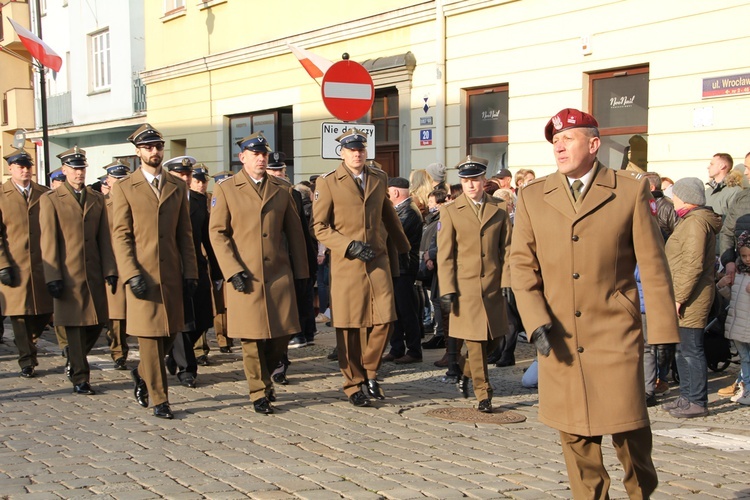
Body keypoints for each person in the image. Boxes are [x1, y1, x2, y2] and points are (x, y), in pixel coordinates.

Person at [510, 108, 679, 498]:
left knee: (630, 431)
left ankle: (641, 494)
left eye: (567, 139)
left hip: (614, 334)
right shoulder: (534, 196)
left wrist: (664, 334)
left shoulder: (628, 190)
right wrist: (535, 321)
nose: (559, 146)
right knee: (576, 439)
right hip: (559, 336)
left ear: (594, 144)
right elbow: (520, 266)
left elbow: (653, 265)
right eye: (555, 140)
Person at [209, 133, 309, 414]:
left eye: (264, 154)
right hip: (245, 277)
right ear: (243, 158)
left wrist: (302, 273)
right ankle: (258, 392)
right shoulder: (226, 189)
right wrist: (231, 270)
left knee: (280, 336)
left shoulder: (282, 188)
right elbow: (218, 234)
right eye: (256, 154)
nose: (262, 158)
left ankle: (266, 378)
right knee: (251, 339)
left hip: (278, 275)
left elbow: (295, 233)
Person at [312, 129, 410, 407]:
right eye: (351, 150)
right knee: (349, 329)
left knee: (385, 319)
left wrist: (404, 250)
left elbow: (388, 215)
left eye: (361, 149)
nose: (357, 154)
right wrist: (347, 245)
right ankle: (353, 384)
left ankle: (369, 371)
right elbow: (319, 227)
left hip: (378, 261)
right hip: (348, 264)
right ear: (342, 153)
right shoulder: (328, 182)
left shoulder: (379, 178)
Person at [111, 123, 199, 419]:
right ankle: (160, 399)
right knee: (149, 338)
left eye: (158, 146)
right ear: (138, 152)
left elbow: (184, 235)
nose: (155, 152)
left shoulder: (177, 186)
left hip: (171, 275)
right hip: (142, 276)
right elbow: (121, 235)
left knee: (167, 335)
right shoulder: (124, 188)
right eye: (148, 147)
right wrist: (130, 273)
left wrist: (191, 272)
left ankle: (140, 373)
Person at [39, 146, 117, 395]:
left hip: (93, 272)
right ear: (64, 171)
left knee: (96, 324)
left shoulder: (96, 198)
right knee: (73, 327)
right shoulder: (51, 199)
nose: (79, 173)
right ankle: (81, 377)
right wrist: (53, 276)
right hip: (67, 273)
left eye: (82, 168)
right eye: (74, 169)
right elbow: (48, 239)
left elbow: (104, 237)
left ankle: (74, 359)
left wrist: (110, 269)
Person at [437, 155, 512, 413]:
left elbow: (508, 248)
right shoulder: (450, 210)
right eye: (466, 180)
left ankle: (466, 370)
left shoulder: (500, 208)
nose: (470, 185)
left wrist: (508, 279)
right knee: (477, 342)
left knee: (496, 339)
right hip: (465, 287)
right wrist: (447, 289)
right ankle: (484, 394)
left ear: (484, 180)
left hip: (493, 285)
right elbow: (445, 254)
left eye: (475, 179)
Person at [662, 177, 721, 418]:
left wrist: (679, 298)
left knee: (691, 349)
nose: (672, 200)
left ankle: (697, 400)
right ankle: (686, 397)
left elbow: (692, 264)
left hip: (691, 297)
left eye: (675, 195)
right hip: (685, 295)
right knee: (681, 349)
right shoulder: (690, 220)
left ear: (685, 197)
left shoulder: (696, 223)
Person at [163, 155, 218, 388]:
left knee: (205, 318)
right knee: (184, 321)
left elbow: (208, 237)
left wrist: (216, 269)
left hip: (197, 265)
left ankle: (172, 354)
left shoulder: (197, 200)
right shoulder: (163, 199)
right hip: (172, 268)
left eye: (188, 174)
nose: (185, 178)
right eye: (180, 174)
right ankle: (187, 368)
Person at [0, 148, 53, 378]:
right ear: (10, 169)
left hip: (43, 263)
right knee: (19, 315)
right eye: (20, 166)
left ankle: (29, 343)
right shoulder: (2, 195)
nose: (25, 170)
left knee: (44, 311)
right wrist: (2, 264)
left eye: (28, 166)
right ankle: (26, 360)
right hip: (15, 263)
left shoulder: (45, 194)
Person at [383, 177, 423, 364]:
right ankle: (397, 348)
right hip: (397, 266)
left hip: (405, 267)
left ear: (396, 193)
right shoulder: (400, 210)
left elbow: (393, 235)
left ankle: (414, 350)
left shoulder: (409, 212)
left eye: (388, 192)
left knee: (407, 311)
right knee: (396, 311)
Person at [102, 159, 132, 370]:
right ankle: (118, 351)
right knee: (116, 314)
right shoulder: (102, 205)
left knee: (131, 311)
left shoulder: (135, 201)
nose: (120, 183)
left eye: (124, 179)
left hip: (132, 262)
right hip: (111, 264)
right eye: (116, 179)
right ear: (108, 181)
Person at [717, 230, 750, 405]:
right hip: (738, 325)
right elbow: (734, 298)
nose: (747, 259)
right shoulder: (738, 271)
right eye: (744, 255)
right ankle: (746, 389)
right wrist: (723, 287)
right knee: (745, 359)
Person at [705, 153, 741, 217]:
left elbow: (735, 219)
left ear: (722, 166)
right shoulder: (708, 191)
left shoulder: (735, 191)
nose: (708, 167)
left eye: (712, 164)